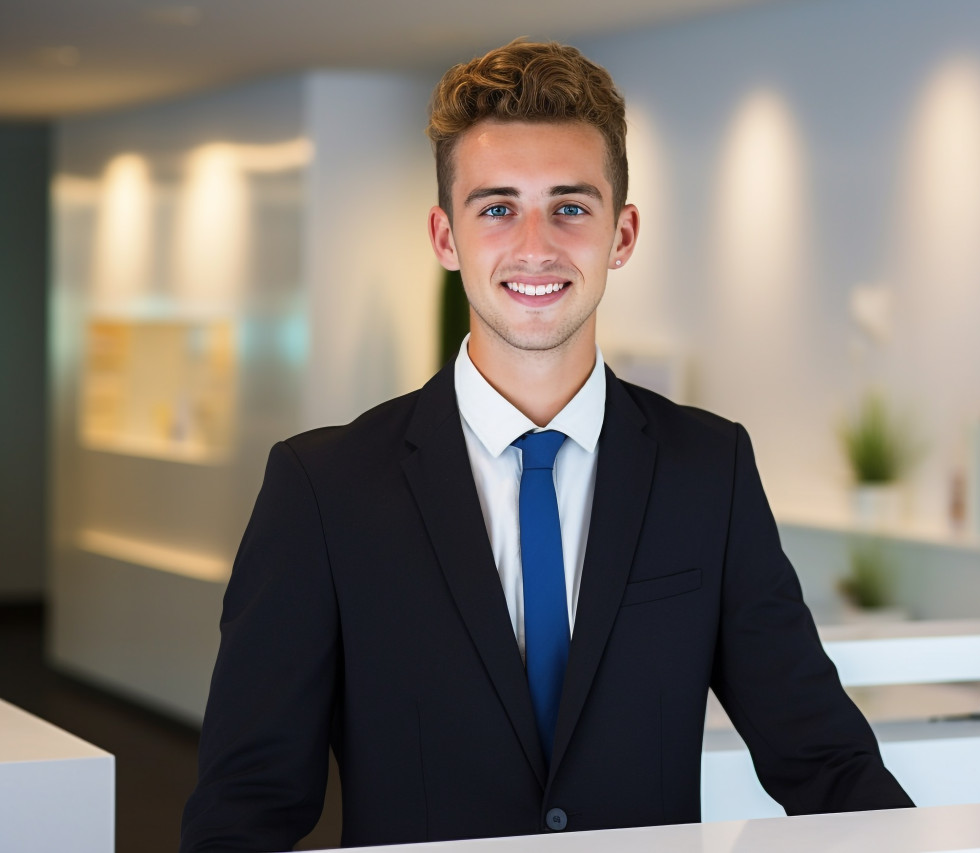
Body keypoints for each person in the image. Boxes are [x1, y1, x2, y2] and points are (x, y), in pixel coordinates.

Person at [180, 38, 912, 852]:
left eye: (570, 206)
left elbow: (822, 756)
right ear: (445, 236)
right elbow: (246, 804)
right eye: (497, 207)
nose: (535, 245)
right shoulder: (323, 488)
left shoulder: (710, 471)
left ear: (622, 234)